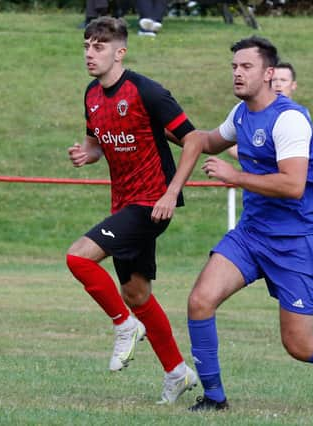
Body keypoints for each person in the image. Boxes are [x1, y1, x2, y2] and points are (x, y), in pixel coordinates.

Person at [185, 36, 313, 412]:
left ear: (269, 74)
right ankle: (214, 399)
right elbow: (207, 140)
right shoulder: (241, 114)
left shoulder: (289, 118)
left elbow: (293, 186)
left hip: (295, 242)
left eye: (246, 67)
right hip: (251, 235)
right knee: (200, 301)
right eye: (234, 67)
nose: (237, 73)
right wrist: (161, 121)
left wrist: (235, 177)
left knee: (299, 344)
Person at [66, 17, 203, 404]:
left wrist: (170, 192)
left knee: (77, 258)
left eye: (99, 47)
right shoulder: (92, 94)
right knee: (137, 292)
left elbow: (192, 139)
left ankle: (124, 327)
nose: (90, 54)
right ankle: (177, 372)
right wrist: (85, 155)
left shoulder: (147, 91)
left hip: (152, 203)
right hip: (125, 201)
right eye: (87, 46)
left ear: (120, 52)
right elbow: (96, 144)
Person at [227, 61, 298, 159]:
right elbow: (231, 146)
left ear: (294, 85)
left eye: (283, 80)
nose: (278, 84)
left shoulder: (298, 116)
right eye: (274, 80)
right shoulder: (252, 112)